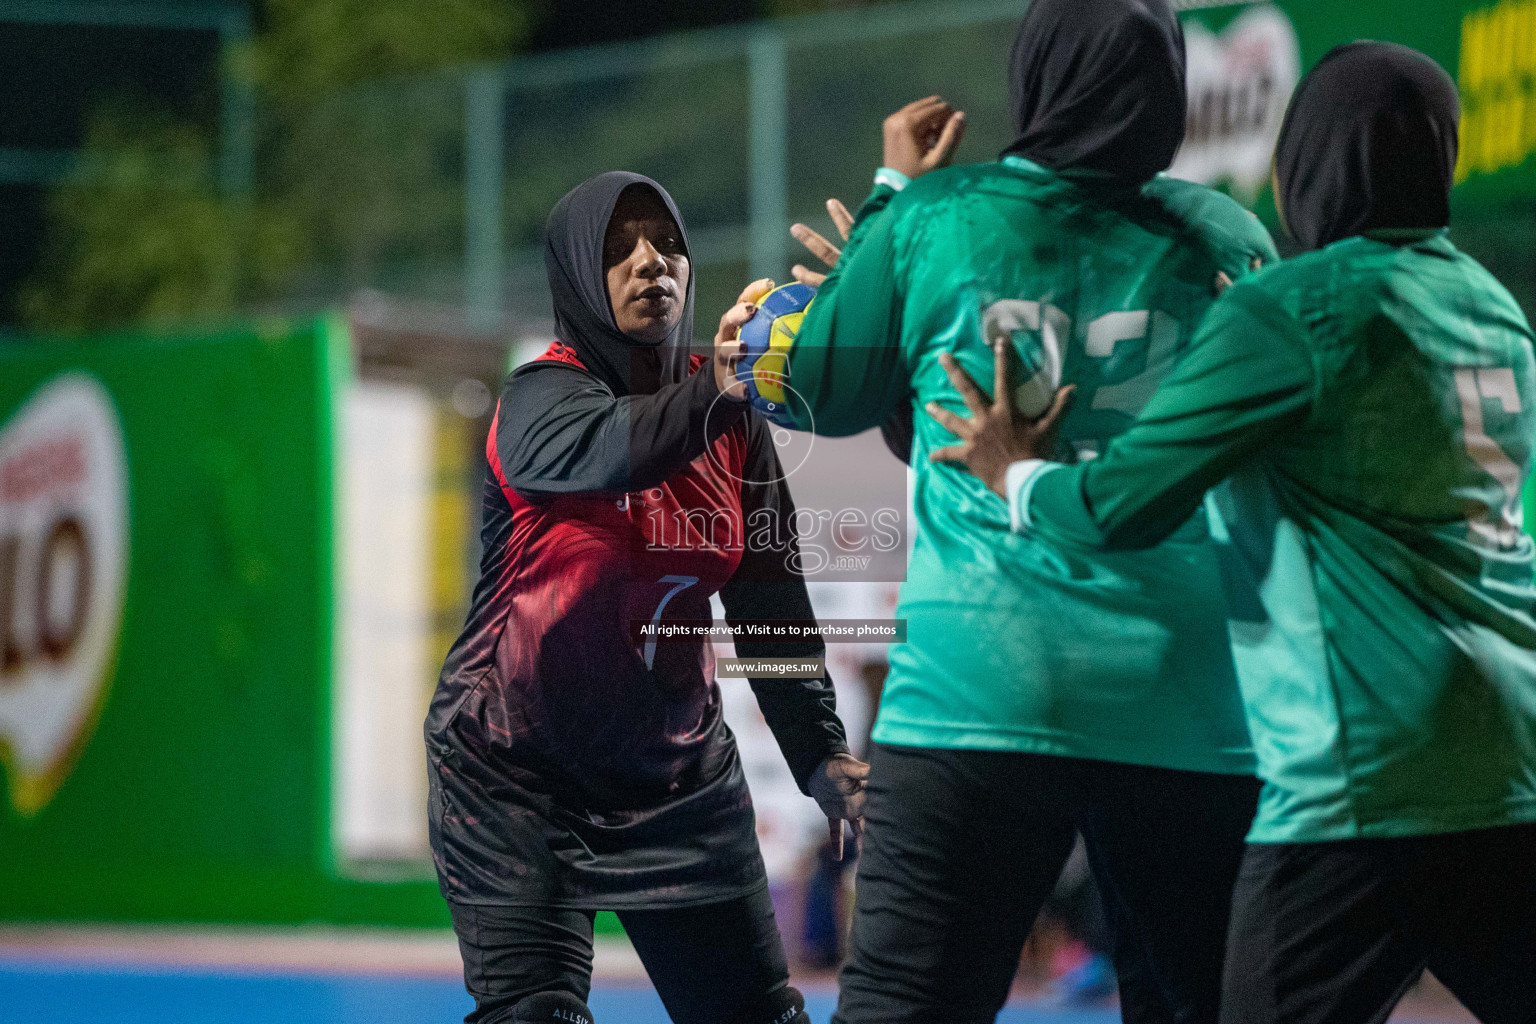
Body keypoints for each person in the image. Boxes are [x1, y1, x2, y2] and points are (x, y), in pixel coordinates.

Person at [934, 42, 1536, 1024]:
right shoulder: (1495, 307)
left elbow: (1118, 508)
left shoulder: (1289, 308)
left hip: (1361, 782)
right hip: (1510, 769)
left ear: (1309, 156)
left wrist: (1016, 470)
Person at [773, 1, 1277, 1021]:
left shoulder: (939, 219)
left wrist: (888, 202)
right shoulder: (1225, 234)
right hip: (1181, 699)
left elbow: (814, 387)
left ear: (1037, 73)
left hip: (977, 691)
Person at [424, 171, 869, 1024]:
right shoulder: (538, 402)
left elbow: (770, 606)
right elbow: (612, 450)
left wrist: (821, 757)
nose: (649, 263)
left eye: (666, 243)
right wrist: (717, 387)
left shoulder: (736, 418)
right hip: (515, 777)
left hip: (676, 780)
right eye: (618, 248)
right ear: (578, 279)